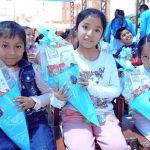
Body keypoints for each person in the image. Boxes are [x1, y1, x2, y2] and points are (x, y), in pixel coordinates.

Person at [61, 8, 130, 150]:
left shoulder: (107, 58)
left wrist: (92, 88)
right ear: (76, 29)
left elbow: (116, 90)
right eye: (85, 27)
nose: (90, 34)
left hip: (104, 114)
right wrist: (58, 97)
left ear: (102, 34)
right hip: (76, 114)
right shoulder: (67, 60)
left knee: (118, 147)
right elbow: (57, 101)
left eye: (97, 30)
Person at [0, 21, 69, 150]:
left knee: (43, 146)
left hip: (34, 122)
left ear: (24, 47)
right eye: (5, 46)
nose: (12, 52)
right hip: (4, 126)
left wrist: (34, 101)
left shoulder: (31, 70)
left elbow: (50, 95)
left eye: (18, 46)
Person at [121, 35, 150, 141]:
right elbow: (128, 97)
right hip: (144, 117)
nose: (149, 61)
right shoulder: (135, 73)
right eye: (145, 57)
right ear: (140, 56)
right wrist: (134, 95)